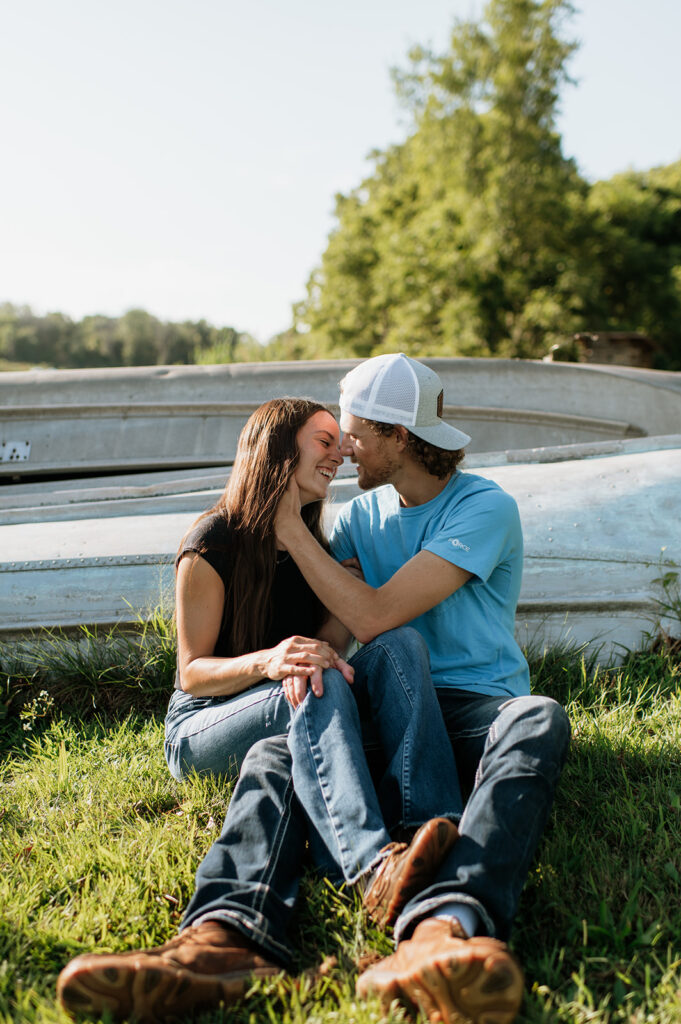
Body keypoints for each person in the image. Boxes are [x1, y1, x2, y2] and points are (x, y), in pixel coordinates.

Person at [57, 396, 462, 1021]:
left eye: (342, 441)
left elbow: (330, 650)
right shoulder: (213, 540)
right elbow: (191, 672)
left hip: (283, 721)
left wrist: (329, 617)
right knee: (301, 684)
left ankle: (409, 841)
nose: (340, 453)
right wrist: (268, 661)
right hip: (202, 724)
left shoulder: (317, 547)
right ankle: (368, 865)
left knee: (362, 661)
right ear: (280, 449)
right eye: (324, 441)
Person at [272, 353, 571, 1024]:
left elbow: (373, 615)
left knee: (536, 718)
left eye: (354, 432)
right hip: (392, 705)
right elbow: (338, 630)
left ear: (398, 436)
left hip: (469, 706)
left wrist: (292, 529)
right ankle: (374, 868)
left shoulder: (484, 508)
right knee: (307, 714)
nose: (345, 446)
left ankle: (445, 923)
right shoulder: (358, 517)